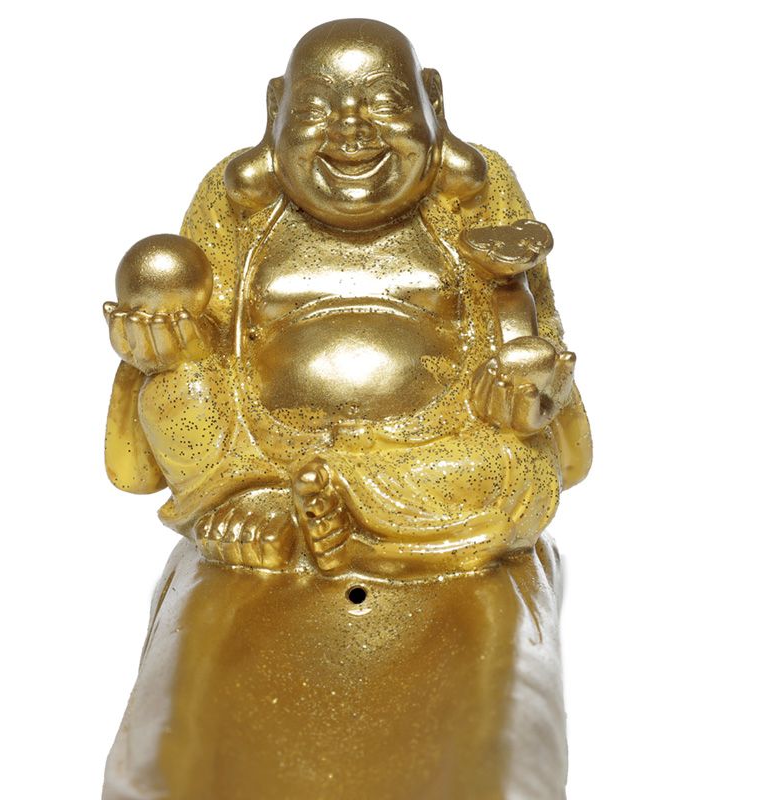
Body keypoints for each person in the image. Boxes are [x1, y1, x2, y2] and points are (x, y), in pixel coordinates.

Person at [102, 19, 591, 798]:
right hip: (261, 456)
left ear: (434, 106)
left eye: (385, 104)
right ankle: (263, 507)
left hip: (434, 453)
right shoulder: (235, 201)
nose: (351, 131)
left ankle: (325, 515)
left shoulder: (476, 193)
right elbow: (189, 353)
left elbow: (541, 349)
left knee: (512, 476)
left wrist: (527, 386)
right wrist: (151, 345)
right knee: (176, 381)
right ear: (275, 112)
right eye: (317, 109)